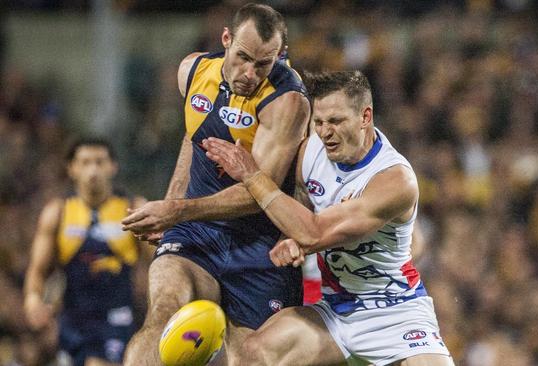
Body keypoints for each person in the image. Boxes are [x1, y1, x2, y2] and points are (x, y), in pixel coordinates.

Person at [202, 70, 455, 366]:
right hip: (336, 310)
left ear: (365, 117)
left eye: (335, 121)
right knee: (253, 353)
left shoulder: (394, 179)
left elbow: (314, 231)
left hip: (396, 312)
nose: (324, 132)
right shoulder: (311, 152)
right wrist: (290, 236)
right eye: (319, 122)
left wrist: (252, 175)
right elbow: (300, 199)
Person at [120, 3, 310, 365]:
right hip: (196, 233)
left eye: (264, 64)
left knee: (249, 356)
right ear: (226, 39)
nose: (250, 74)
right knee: (164, 315)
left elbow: (260, 194)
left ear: (280, 56)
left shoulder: (288, 101)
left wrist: (176, 210)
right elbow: (193, 138)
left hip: (261, 246)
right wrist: (175, 201)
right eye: (243, 57)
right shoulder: (191, 71)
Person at [23, 137, 147, 366]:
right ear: (72, 168)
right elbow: (37, 270)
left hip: (118, 318)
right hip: (72, 321)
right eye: (85, 162)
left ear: (113, 166)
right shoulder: (57, 213)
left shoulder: (134, 210)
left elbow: (159, 262)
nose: (93, 170)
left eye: (100, 162)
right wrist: (33, 300)